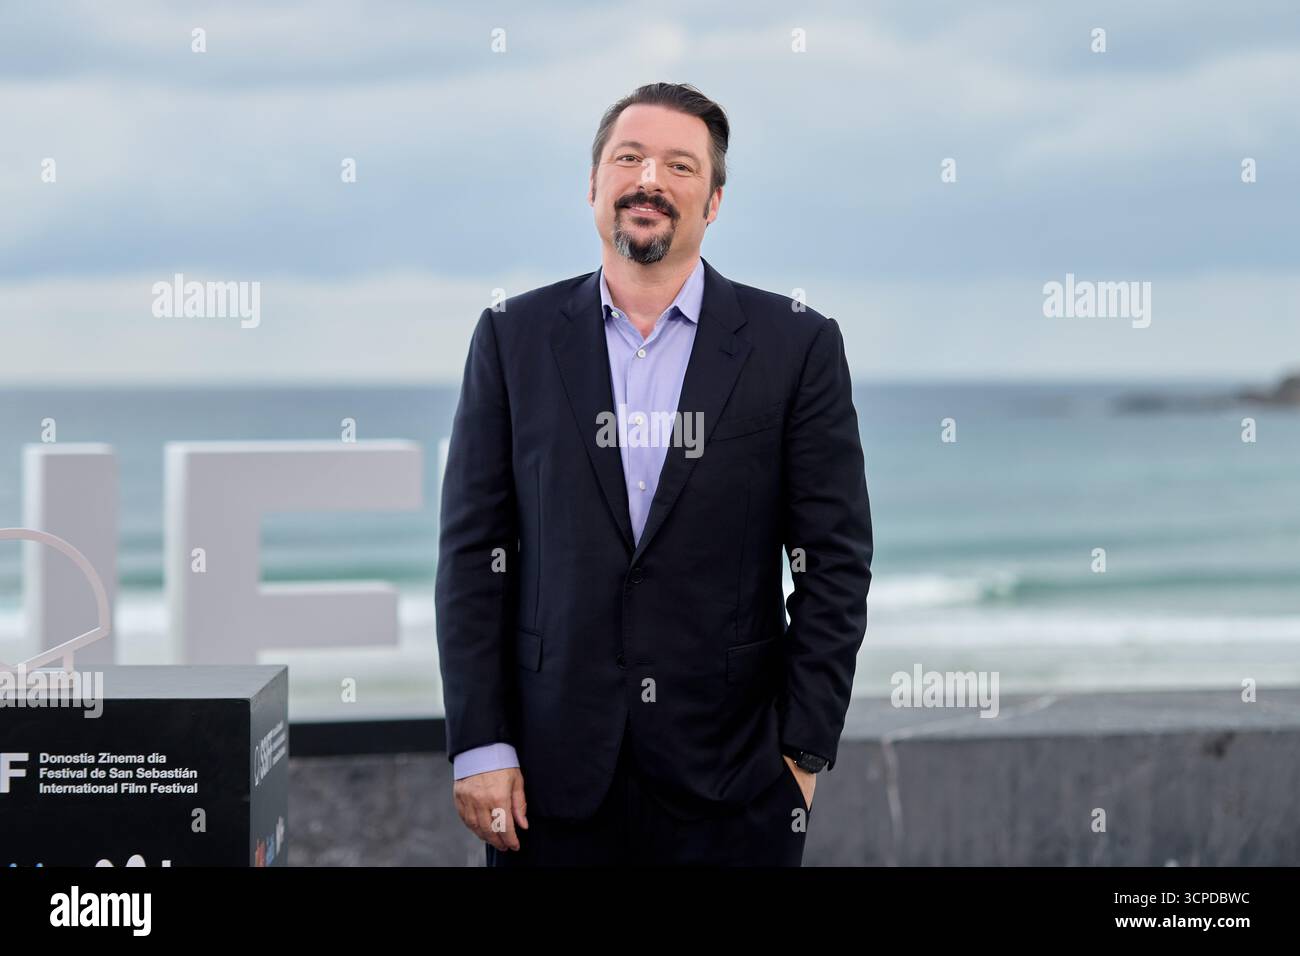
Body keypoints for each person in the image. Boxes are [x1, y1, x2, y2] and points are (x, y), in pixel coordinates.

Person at [435, 82, 872, 866]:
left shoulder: (796, 345)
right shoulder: (512, 338)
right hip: (544, 784)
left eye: (680, 166)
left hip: (733, 785)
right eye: (629, 158)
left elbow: (834, 560)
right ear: (594, 185)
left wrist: (802, 756)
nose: (650, 181)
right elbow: (474, 555)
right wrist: (480, 744)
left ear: (714, 202)